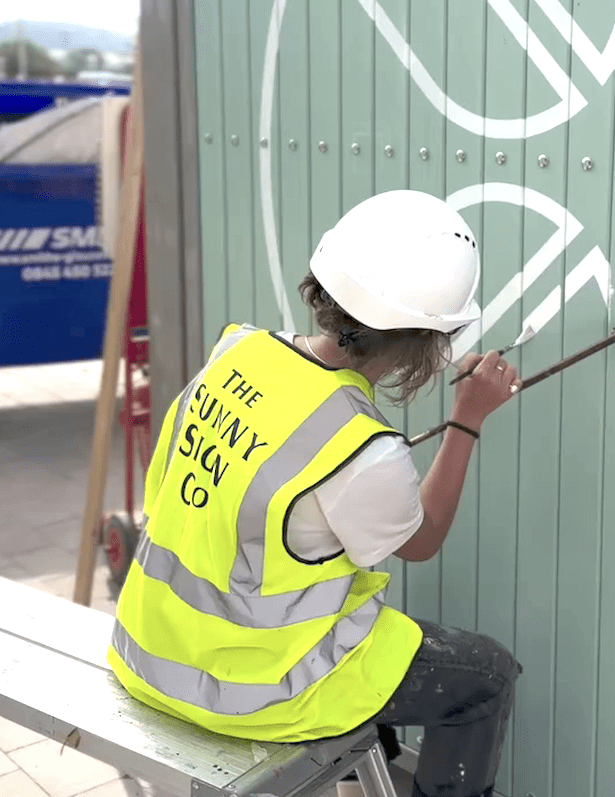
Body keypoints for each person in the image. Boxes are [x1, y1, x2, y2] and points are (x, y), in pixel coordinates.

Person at [107, 190, 523, 797]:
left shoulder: (237, 350)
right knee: (486, 676)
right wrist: (468, 418)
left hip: (147, 647)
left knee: (372, 636)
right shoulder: (362, 447)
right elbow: (422, 539)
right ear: (429, 339)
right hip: (245, 690)